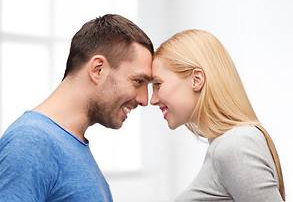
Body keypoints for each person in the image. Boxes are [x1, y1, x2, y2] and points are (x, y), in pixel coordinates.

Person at [0, 14, 154, 201]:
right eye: (138, 81)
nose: (145, 100)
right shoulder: (30, 141)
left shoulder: (70, 144)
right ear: (98, 69)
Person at [150, 29, 285, 202]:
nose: (152, 100)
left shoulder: (235, 145)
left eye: (157, 84)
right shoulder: (228, 144)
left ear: (197, 79)